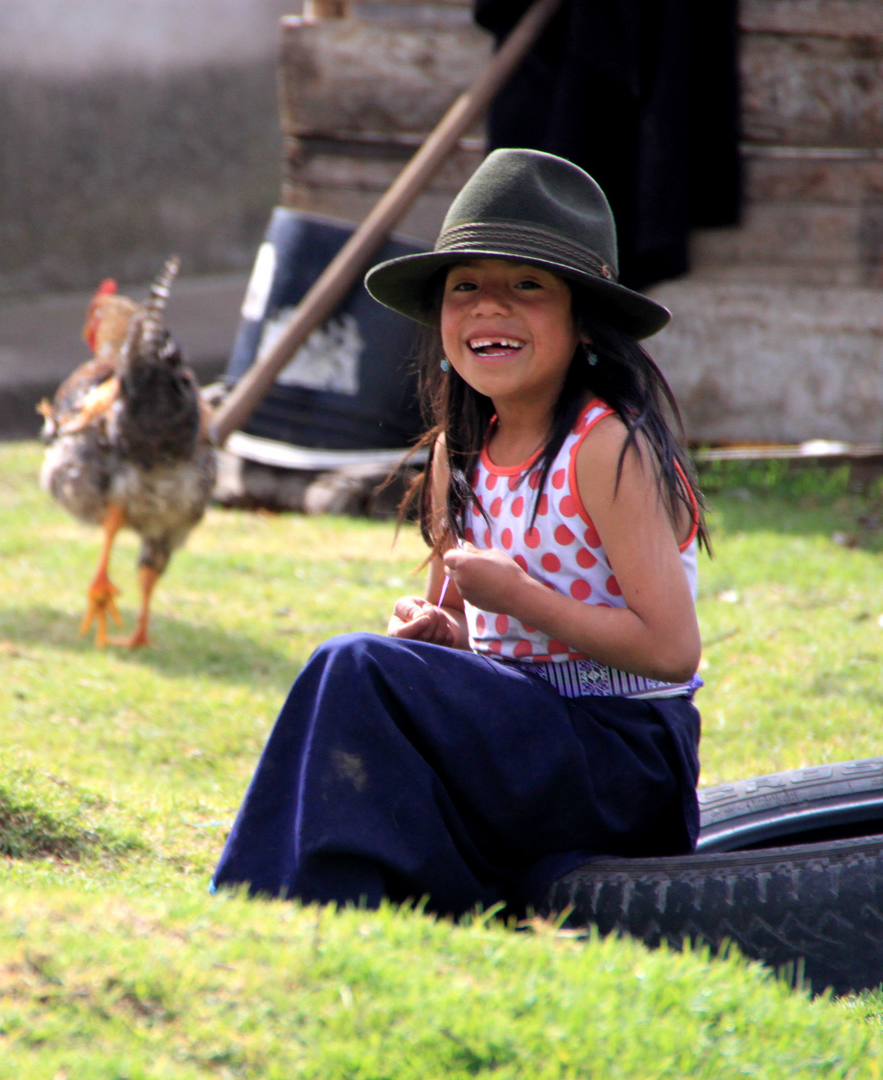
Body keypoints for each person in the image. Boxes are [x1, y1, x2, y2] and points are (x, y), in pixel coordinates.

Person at [211, 148, 710, 918]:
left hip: (621, 754)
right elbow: (475, 647)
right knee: (367, 674)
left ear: (584, 321)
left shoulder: (604, 447)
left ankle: (279, 904)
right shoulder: (459, 453)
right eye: (465, 287)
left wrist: (521, 597)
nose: (488, 308)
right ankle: (328, 905)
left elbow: (672, 649)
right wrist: (441, 635)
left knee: (354, 669)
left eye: (526, 287)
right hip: (523, 737)